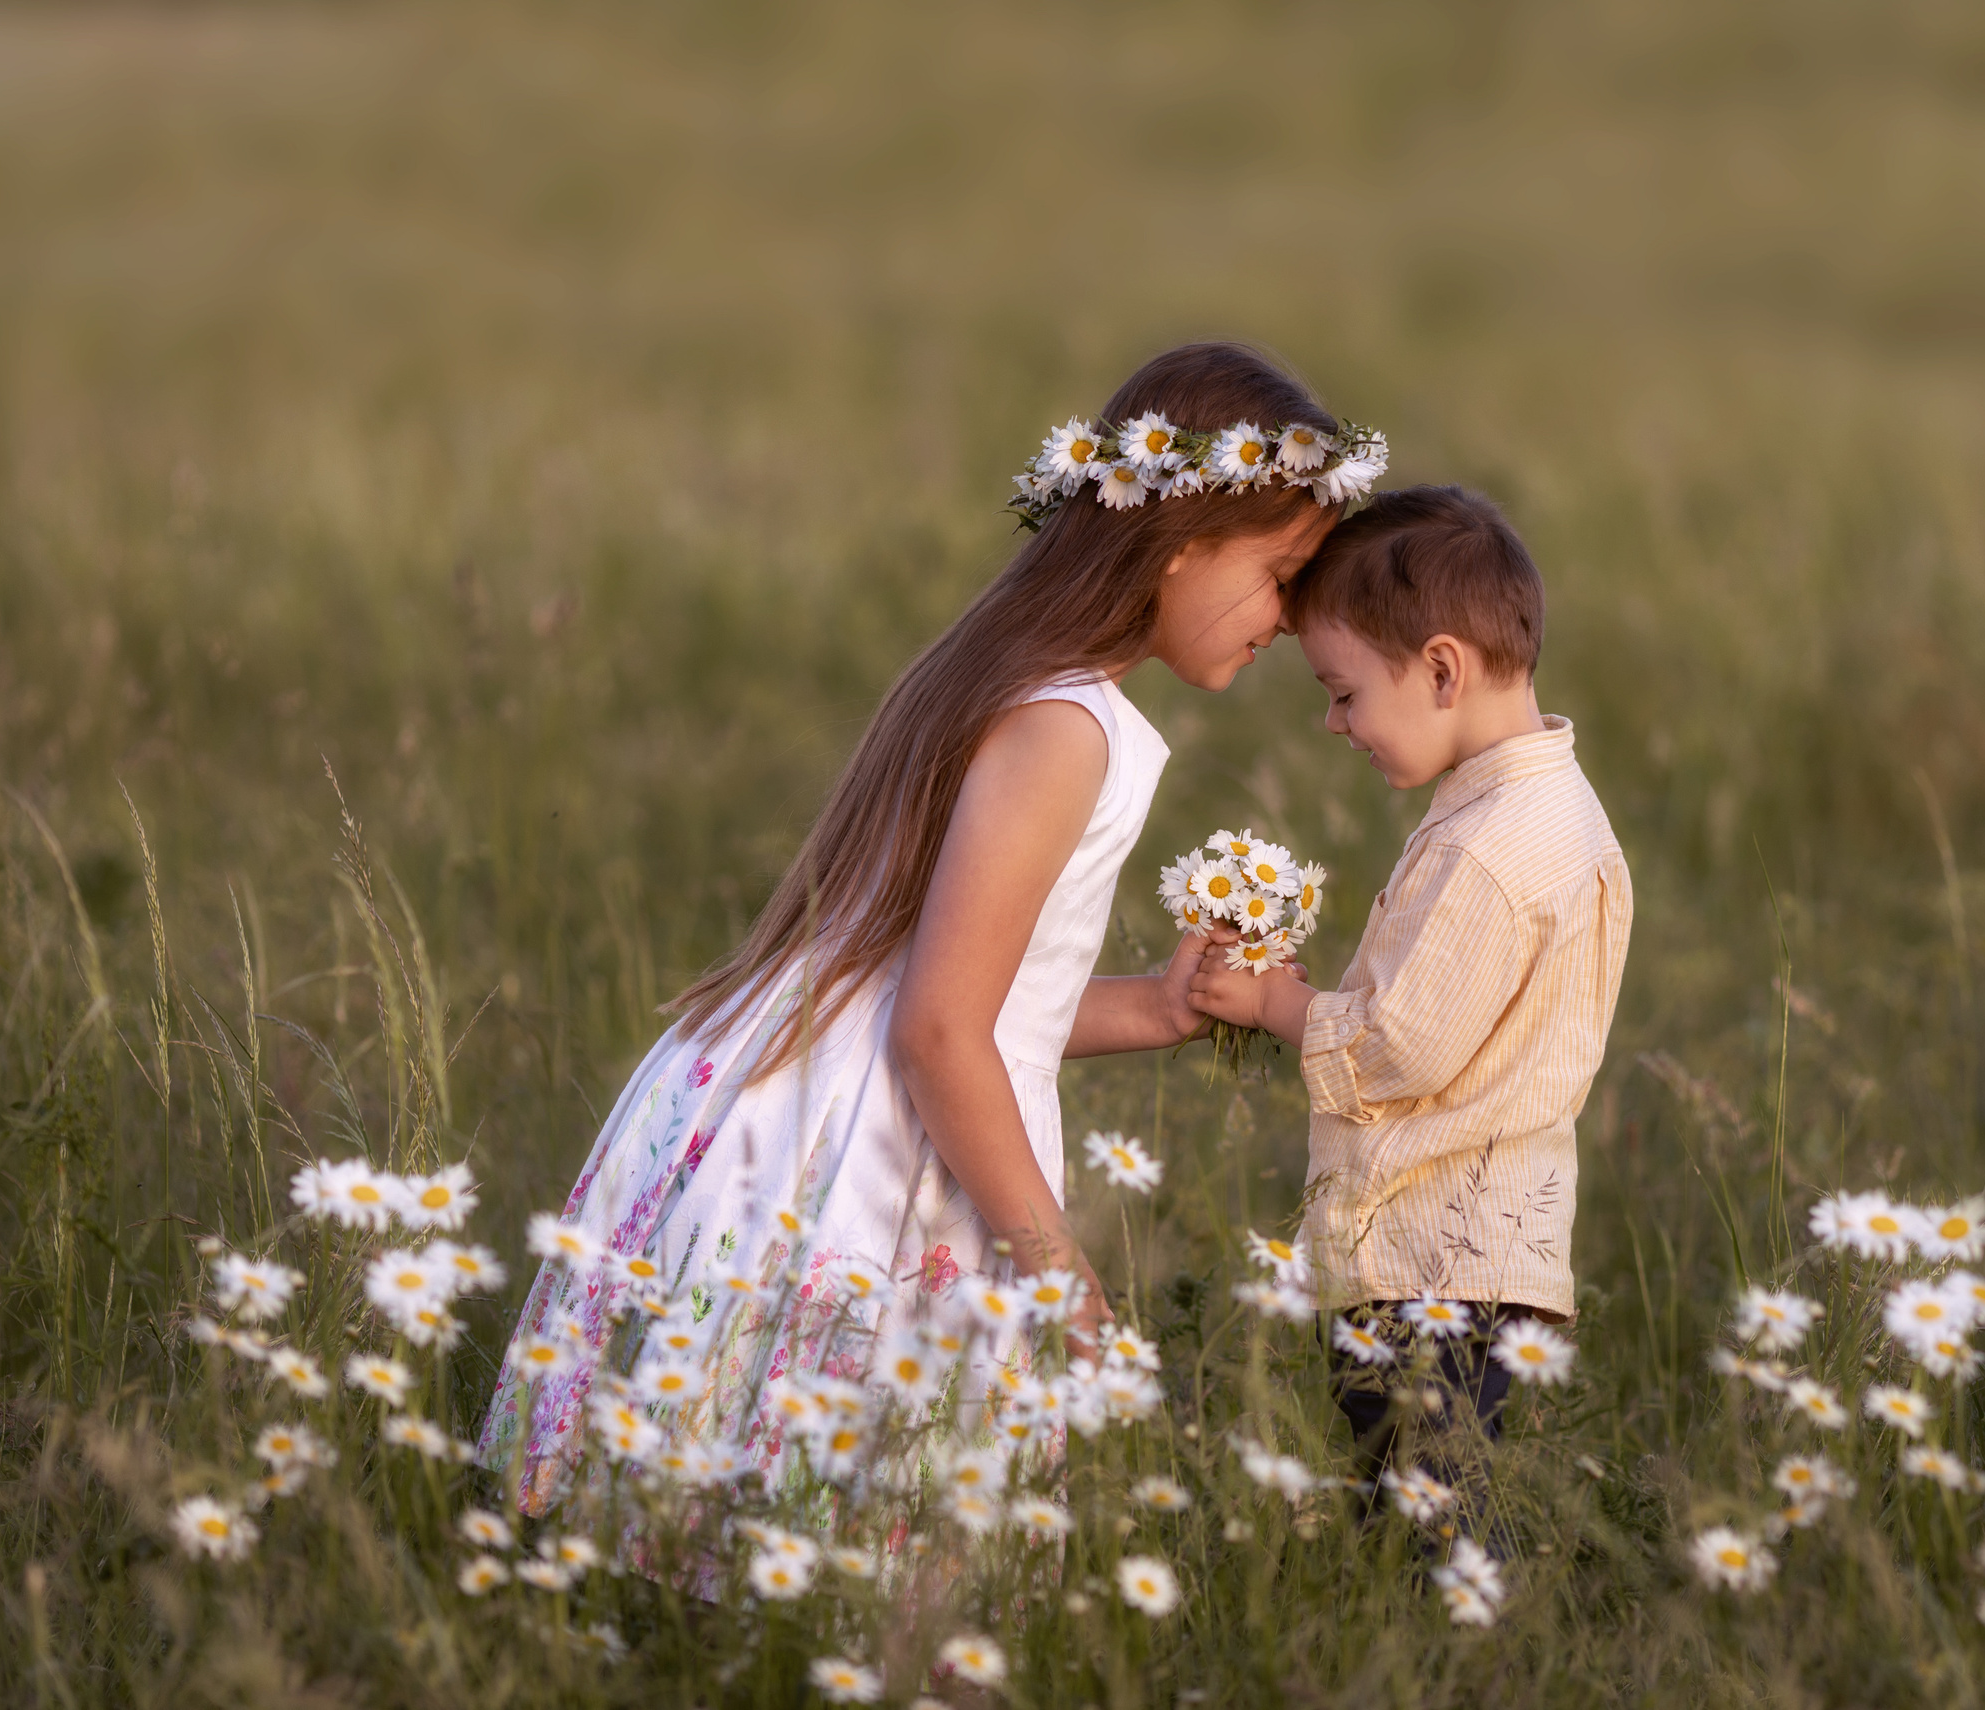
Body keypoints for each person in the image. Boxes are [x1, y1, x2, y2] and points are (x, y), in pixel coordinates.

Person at [480, 344, 1390, 1510]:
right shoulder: (1068, 731)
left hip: (783, 1098)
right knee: (879, 1545)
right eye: (1281, 573)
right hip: (857, 1161)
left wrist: (1160, 1007)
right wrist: (1060, 1279)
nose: (1292, 617)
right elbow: (940, 1034)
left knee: (713, 1531)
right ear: (1178, 542)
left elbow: (950, 1002)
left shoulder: (1005, 673)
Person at [1186, 485, 1632, 1492]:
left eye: (1343, 692)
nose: (1332, 723)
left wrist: (1273, 1006)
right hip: (1479, 1250)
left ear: (1440, 668)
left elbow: (1398, 1049)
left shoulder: (1488, 848)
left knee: (1425, 1512)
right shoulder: (1551, 811)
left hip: (1431, 1255)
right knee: (1424, 1497)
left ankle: (1479, 1649)